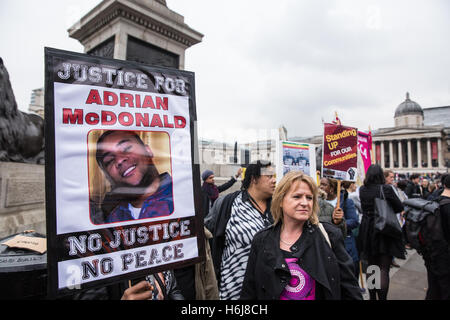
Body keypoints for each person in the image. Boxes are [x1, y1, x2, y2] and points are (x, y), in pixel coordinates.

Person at [239, 171, 362, 300]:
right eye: (297, 196)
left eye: (309, 197)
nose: (305, 203)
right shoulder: (262, 240)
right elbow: (249, 290)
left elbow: (350, 289)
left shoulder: (330, 235)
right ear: (280, 200)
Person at [211, 160, 276, 300]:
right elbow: (211, 236)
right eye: (269, 176)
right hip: (233, 289)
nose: (274, 180)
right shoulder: (229, 203)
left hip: (268, 289)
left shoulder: (278, 207)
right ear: (254, 179)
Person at [95, 130, 173, 223]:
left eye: (127, 148)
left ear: (148, 151)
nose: (119, 160)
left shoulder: (185, 195)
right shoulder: (113, 220)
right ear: (108, 177)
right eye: (109, 160)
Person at [357, 164, 405, 300]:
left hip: (367, 229)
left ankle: (372, 297)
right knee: (383, 268)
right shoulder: (386, 189)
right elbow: (398, 207)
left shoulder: (362, 189)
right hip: (383, 229)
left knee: (372, 266)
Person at [319, 178, 360, 278]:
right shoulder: (317, 202)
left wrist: (338, 222)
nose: (321, 187)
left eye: (324, 185)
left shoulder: (346, 201)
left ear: (332, 188)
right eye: (320, 184)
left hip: (344, 244)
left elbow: (354, 221)